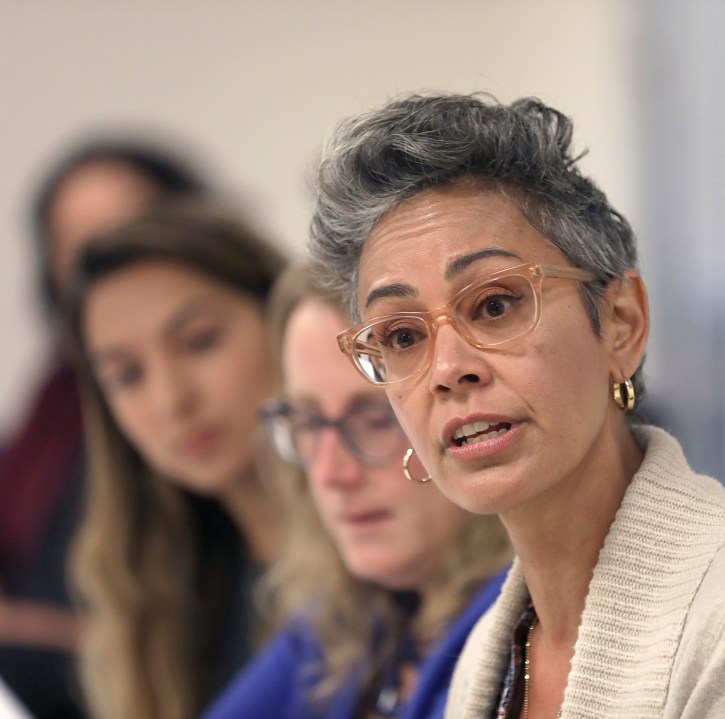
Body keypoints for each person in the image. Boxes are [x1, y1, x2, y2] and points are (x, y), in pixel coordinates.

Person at [307, 93, 725, 718]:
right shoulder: (485, 656)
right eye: (403, 337)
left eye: (495, 304)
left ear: (620, 323)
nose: (449, 370)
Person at [203, 264, 512, 719]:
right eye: (308, 422)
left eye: (375, 418)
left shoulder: (530, 628)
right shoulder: (345, 621)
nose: (331, 473)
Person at [0, 137, 207, 718]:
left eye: (200, 342)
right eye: (82, 245)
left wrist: (20, 627)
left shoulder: (191, 434)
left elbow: (173, 633)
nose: (169, 399)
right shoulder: (55, 405)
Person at [63, 199, 287, 719]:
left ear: (283, 321)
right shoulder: (151, 598)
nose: (171, 400)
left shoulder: (391, 549)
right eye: (127, 376)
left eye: (199, 341)